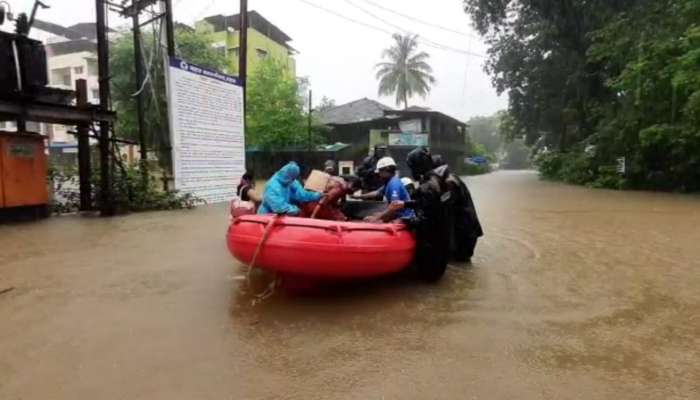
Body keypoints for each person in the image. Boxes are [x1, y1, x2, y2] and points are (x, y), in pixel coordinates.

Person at [406, 147, 450, 281]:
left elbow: (426, 220)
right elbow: (434, 206)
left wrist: (407, 221)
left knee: (426, 280)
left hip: (430, 249)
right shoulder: (441, 180)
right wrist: (405, 204)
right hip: (442, 244)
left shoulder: (427, 187)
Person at [258, 162, 323, 215]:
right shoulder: (272, 186)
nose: (294, 180)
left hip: (281, 217)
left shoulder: (291, 181)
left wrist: (317, 195)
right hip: (267, 217)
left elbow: (302, 195)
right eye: (293, 178)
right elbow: (280, 209)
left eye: (294, 178)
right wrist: (295, 209)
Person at [364, 156, 415, 223]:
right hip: (398, 215)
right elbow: (376, 193)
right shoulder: (389, 182)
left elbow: (394, 208)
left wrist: (377, 218)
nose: (379, 174)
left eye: (380, 171)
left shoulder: (394, 184)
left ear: (387, 169)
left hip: (405, 218)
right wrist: (357, 196)